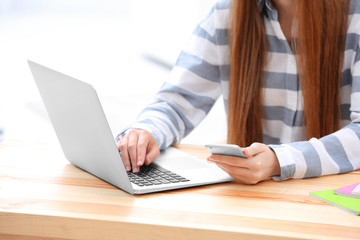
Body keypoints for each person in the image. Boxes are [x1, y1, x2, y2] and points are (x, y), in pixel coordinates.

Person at [117, 0, 360, 184]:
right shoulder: (228, 14)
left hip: (332, 200)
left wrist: (279, 160)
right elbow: (177, 103)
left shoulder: (355, 16)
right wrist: (145, 132)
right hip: (254, 201)